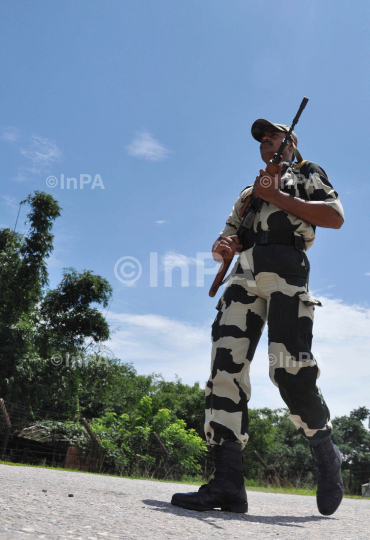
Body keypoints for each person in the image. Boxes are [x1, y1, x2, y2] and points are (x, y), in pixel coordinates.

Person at [171, 119, 345, 515]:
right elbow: (224, 242)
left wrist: (280, 196)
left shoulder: (306, 173)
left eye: (274, 136)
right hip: (244, 275)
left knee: (289, 369)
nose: (266, 142)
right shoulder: (249, 194)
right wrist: (223, 246)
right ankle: (228, 483)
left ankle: (325, 450)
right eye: (261, 140)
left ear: (291, 142)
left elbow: (334, 216)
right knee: (224, 369)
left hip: (287, 269)